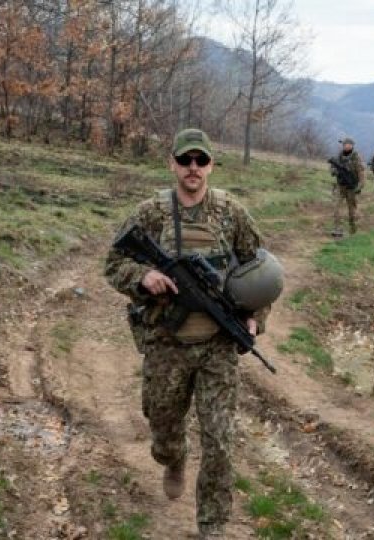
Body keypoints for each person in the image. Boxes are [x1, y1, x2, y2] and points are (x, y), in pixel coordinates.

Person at [103, 128, 270, 539]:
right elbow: (113, 263)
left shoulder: (232, 213)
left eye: (200, 160)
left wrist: (254, 317)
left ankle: (212, 526)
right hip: (166, 343)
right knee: (163, 427)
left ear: (211, 165)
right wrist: (144, 277)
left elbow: (259, 273)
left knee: (220, 441)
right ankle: (173, 458)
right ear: (172, 164)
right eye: (184, 160)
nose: (192, 168)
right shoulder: (151, 213)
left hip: (217, 347)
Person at [329, 137, 365, 237]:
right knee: (336, 208)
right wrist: (334, 171)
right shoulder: (339, 156)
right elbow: (332, 168)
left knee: (351, 210)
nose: (346, 146)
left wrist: (360, 186)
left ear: (352, 146)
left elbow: (361, 173)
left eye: (348, 145)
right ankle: (337, 229)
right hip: (340, 186)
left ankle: (353, 229)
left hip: (352, 188)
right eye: (345, 144)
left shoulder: (356, 158)